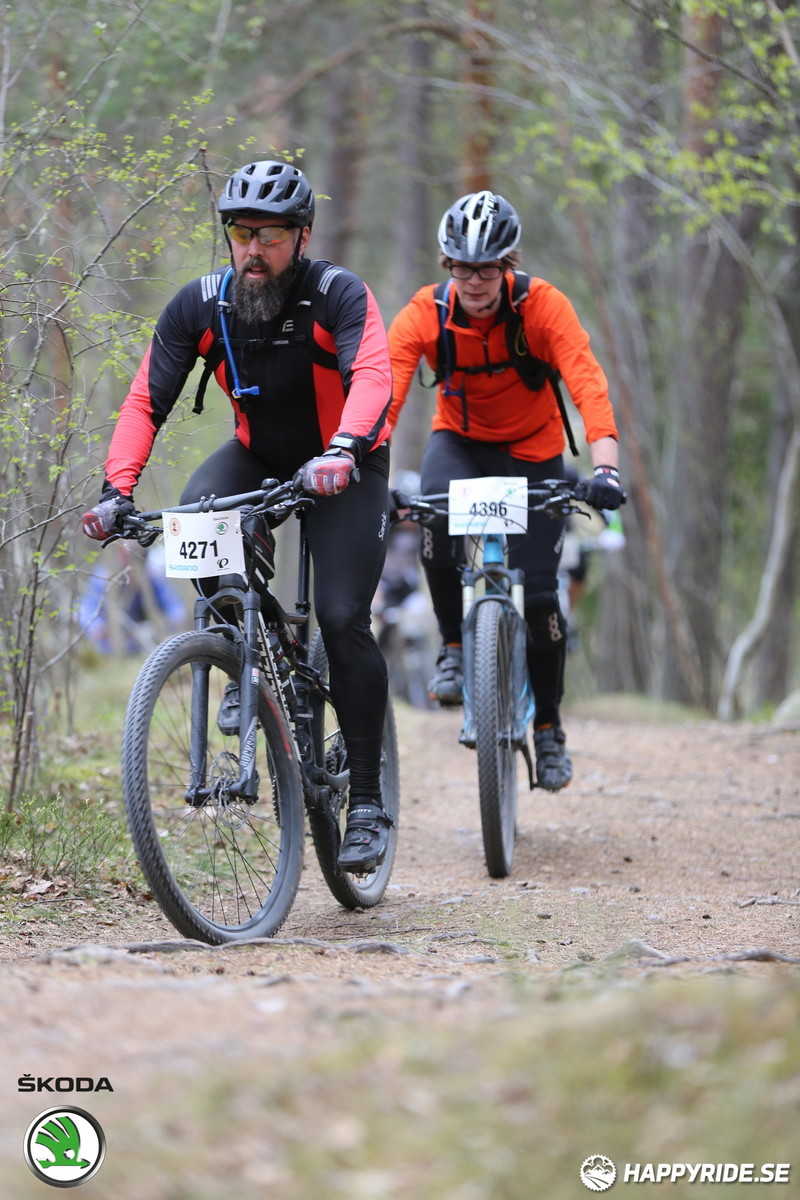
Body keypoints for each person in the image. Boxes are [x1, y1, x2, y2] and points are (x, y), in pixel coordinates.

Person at [82, 159, 394, 872]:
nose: (254, 250)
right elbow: (145, 401)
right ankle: (243, 656)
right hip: (260, 454)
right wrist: (115, 490)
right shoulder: (201, 306)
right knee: (198, 518)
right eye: (242, 233)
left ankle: (368, 804)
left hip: (345, 462)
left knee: (341, 616)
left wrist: (345, 447)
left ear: (302, 236)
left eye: (271, 236)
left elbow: (372, 375)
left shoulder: (337, 294)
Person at [386, 190, 624, 791]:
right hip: (459, 445)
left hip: (534, 453)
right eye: (462, 268)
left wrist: (606, 469)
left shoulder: (543, 307)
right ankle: (452, 647)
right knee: (433, 517)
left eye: (487, 269)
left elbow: (587, 384)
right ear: (447, 265)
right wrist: (367, 470)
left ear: (507, 265)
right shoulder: (425, 313)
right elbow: (384, 397)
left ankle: (548, 728)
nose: (474, 282)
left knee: (541, 597)